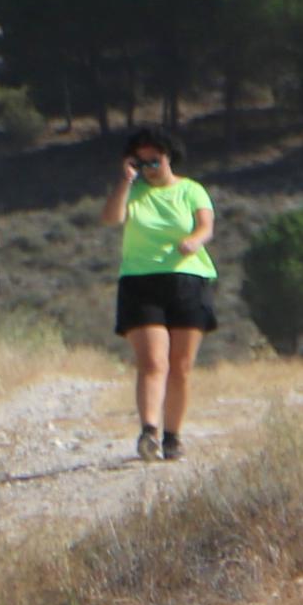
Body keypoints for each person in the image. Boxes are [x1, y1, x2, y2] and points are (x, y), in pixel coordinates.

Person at [106, 130, 216, 463]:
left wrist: (195, 241)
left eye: (155, 160)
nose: (149, 167)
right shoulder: (133, 192)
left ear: (169, 157)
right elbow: (112, 218)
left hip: (188, 279)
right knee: (153, 362)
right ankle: (149, 431)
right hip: (140, 282)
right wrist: (125, 182)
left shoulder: (191, 189)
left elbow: (205, 226)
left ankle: (173, 435)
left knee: (181, 366)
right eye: (141, 162)